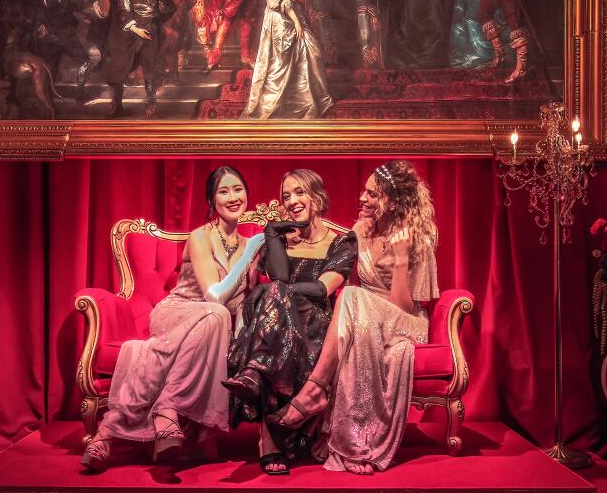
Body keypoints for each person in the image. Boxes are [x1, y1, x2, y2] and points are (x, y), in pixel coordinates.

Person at [81, 166, 265, 470]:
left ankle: (108, 432)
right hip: (177, 311)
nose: (233, 197)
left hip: (213, 326)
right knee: (216, 313)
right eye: (224, 191)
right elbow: (215, 296)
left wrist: (241, 338)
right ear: (211, 200)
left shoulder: (251, 246)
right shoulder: (200, 237)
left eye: (238, 189)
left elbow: (243, 301)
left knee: (206, 327)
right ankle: (167, 409)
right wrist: (249, 254)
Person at [272, 160, 440, 474]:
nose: (362, 198)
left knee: (353, 299)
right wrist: (296, 241)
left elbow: (404, 308)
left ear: (391, 202)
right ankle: (347, 433)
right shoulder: (359, 231)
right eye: (364, 191)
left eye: (372, 194)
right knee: (354, 307)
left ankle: (314, 391)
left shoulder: (416, 240)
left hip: (405, 324)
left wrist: (401, 258)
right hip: (362, 317)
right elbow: (340, 278)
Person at [223, 169, 358, 475]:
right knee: (274, 322)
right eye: (286, 195)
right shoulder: (280, 240)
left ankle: (258, 389)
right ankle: (268, 434)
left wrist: (264, 289)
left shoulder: (342, 242)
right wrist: (272, 234)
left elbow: (324, 289)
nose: (292, 201)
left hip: (318, 327)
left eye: (300, 192)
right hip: (279, 328)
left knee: (271, 305)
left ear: (316, 196)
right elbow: (281, 281)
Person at [242, 0, 334, 119]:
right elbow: (279, 1)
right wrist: (298, 23)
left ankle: (305, 99)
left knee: (311, 52)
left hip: (291, 16)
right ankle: (272, 106)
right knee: (281, 64)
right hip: (282, 20)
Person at [100, 0, 175, 118]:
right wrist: (135, 29)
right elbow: (121, 11)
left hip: (148, 30)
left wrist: (157, 14)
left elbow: (169, 7)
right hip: (126, 33)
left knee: (150, 64)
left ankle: (151, 102)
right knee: (115, 63)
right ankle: (117, 104)